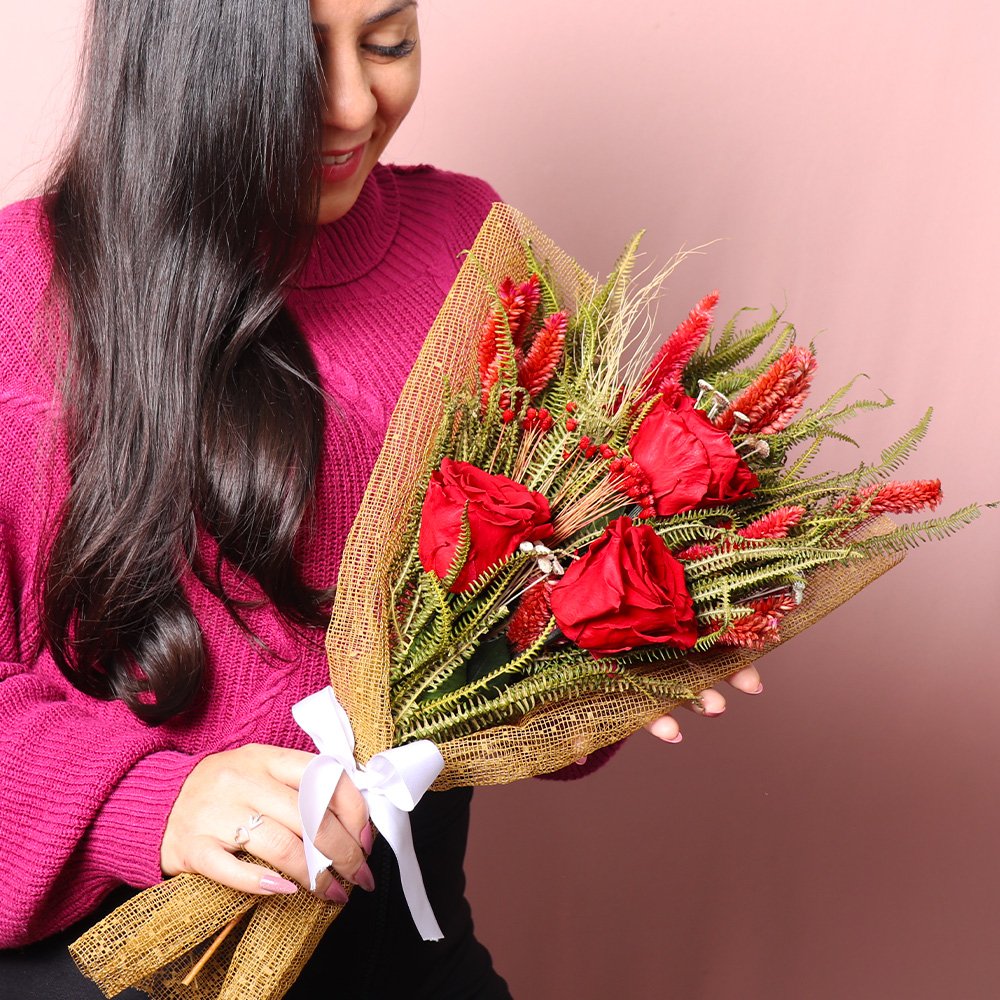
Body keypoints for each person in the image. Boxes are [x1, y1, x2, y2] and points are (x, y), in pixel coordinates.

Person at [0, 2, 763, 997]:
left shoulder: (470, 250)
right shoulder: (21, 296)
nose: (358, 102)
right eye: (299, 59)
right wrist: (149, 802)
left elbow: (504, 650)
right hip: (105, 962)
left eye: (389, 41)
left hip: (400, 940)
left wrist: (624, 644)